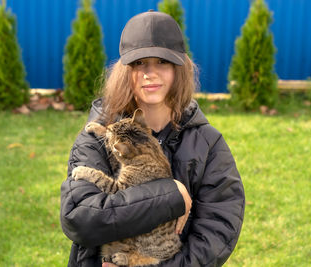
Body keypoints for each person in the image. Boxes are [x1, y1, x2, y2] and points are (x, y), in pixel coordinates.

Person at [60, 10, 245, 267]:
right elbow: (80, 218)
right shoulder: (98, 136)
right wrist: (169, 195)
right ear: (124, 71)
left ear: (179, 68)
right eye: (139, 63)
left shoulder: (208, 144)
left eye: (162, 62)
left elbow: (218, 233)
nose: (150, 73)